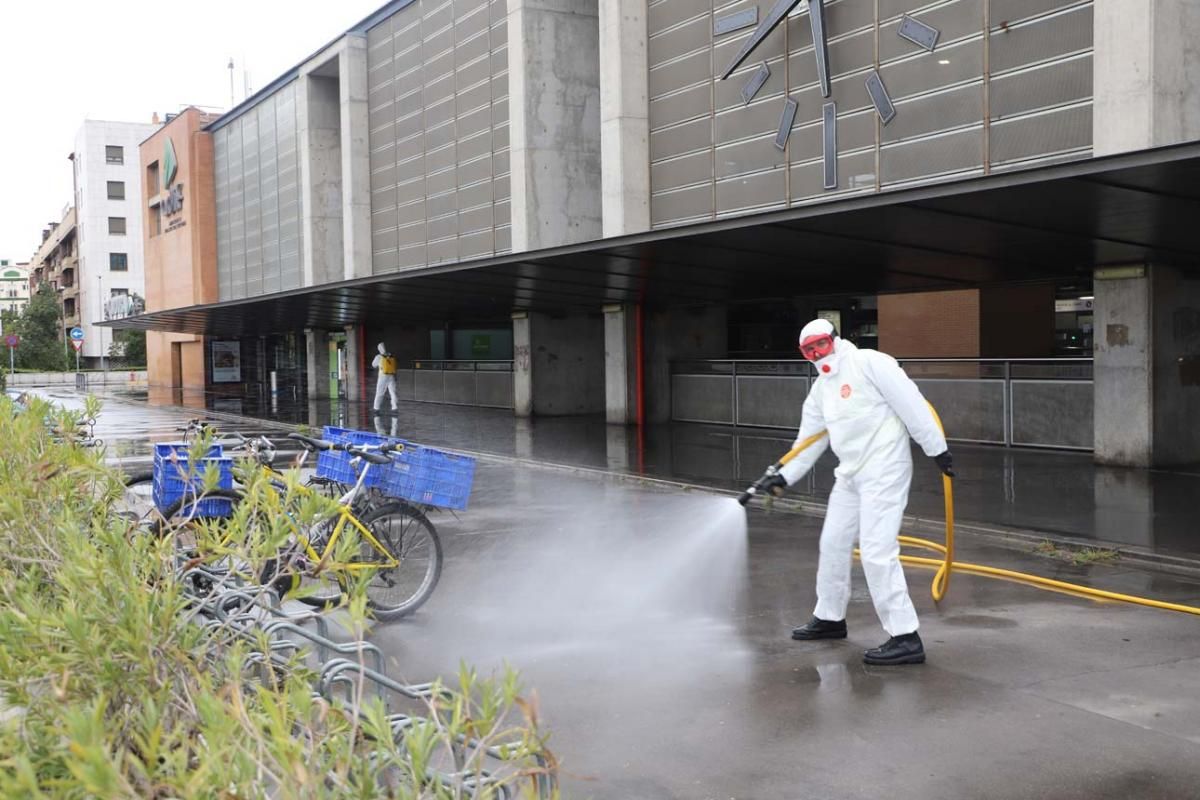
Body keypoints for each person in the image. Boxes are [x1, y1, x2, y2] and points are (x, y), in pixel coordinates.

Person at [758, 319, 954, 666]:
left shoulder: (870, 363)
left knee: (877, 551)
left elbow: (912, 403)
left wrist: (935, 448)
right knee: (832, 543)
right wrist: (783, 477)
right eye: (809, 350)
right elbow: (807, 442)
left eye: (821, 344)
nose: (817, 354)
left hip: (885, 469)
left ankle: (905, 635)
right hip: (849, 475)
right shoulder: (821, 389)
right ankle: (830, 617)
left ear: (836, 339)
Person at [371, 342, 399, 412]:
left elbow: (373, 365)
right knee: (393, 392)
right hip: (391, 376)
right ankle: (394, 407)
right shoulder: (390, 355)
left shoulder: (378, 356)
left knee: (380, 392)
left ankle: (376, 408)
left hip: (382, 377)